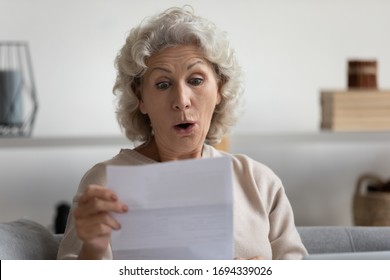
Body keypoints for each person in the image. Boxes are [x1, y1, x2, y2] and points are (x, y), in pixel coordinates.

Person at [57, 6, 307, 260]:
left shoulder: (259, 182)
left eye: (196, 80)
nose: (181, 100)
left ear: (219, 89)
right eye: (163, 84)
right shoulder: (105, 182)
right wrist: (93, 250)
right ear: (140, 97)